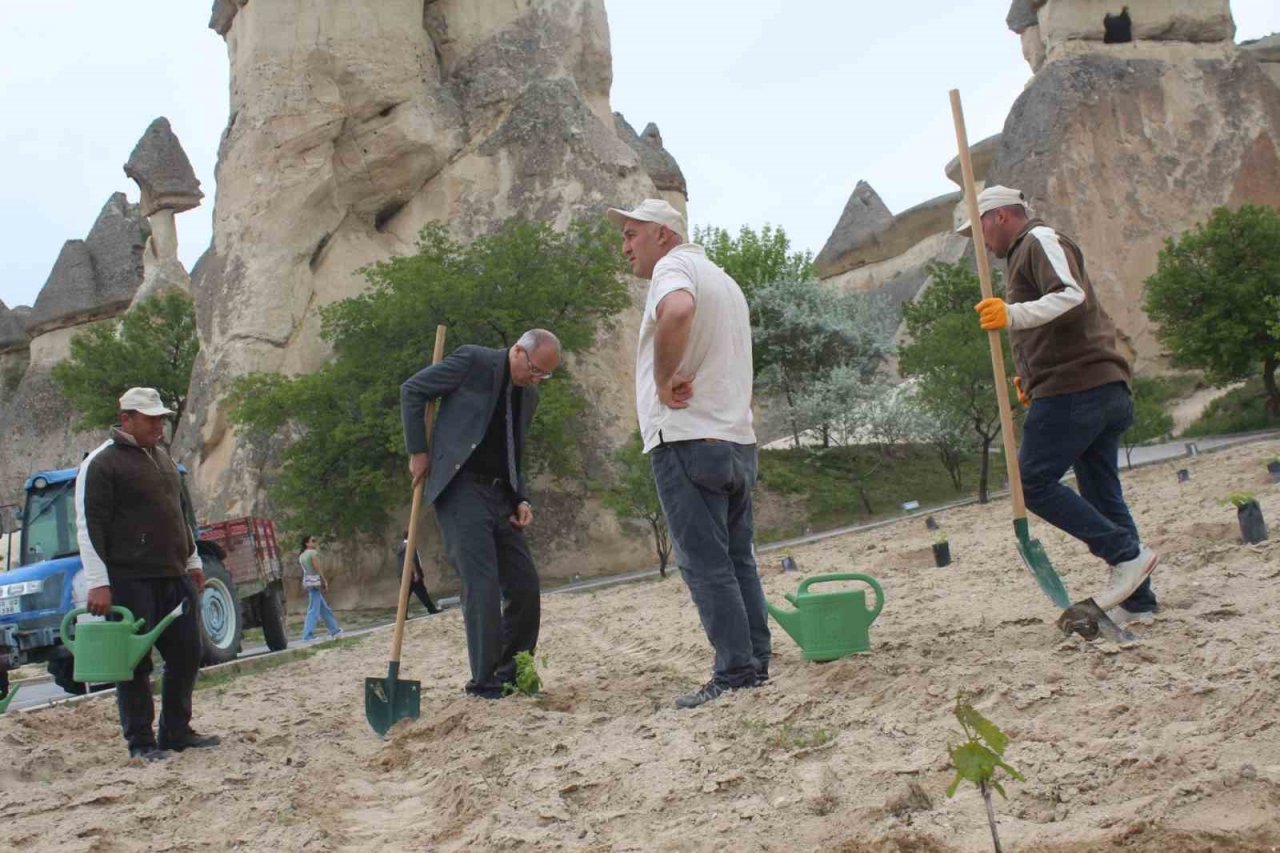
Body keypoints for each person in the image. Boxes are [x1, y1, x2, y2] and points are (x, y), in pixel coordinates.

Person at [960, 185, 1159, 621]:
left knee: (1031, 481)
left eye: (976, 230)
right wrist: (1028, 374)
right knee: (1102, 494)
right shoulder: (1023, 252)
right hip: (1094, 384)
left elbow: (1070, 296)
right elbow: (1054, 321)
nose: (977, 242)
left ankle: (1127, 556)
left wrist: (1012, 314)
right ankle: (1140, 601)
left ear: (999, 217)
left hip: (1077, 387)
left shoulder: (1039, 240)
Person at [607, 198, 770, 709]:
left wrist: (661, 379)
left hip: (689, 438)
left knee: (705, 564)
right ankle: (755, 662)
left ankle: (736, 672)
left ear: (664, 235)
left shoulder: (674, 268)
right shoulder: (724, 279)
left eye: (633, 234)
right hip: (737, 441)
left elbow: (677, 310)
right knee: (738, 559)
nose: (625, 245)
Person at [400, 329, 559, 699]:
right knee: (482, 585)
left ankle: (514, 672)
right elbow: (413, 390)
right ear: (518, 351)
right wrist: (418, 451)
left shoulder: (528, 395)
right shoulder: (473, 361)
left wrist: (521, 498)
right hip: (460, 488)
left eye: (543, 376)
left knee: (524, 585)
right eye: (534, 370)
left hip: (501, 495)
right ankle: (485, 682)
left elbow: (514, 450)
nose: (536, 380)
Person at [75, 387, 220, 761]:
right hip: (129, 578)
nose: (159, 425)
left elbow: (181, 515)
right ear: (127, 418)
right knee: (135, 662)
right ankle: (140, 741)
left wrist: (193, 563)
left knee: (187, 652)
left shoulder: (164, 459)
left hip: (173, 575)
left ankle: (176, 730)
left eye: (161, 418)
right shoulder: (101, 463)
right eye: (151, 418)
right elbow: (89, 526)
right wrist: (99, 582)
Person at [298, 536, 343, 642]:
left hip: (308, 581)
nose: (315, 542)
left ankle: (334, 630)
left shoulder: (301, 556)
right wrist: (324, 579)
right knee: (313, 609)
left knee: (324, 608)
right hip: (315, 581)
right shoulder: (312, 553)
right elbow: (317, 567)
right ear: (307, 543)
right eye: (313, 541)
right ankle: (307, 635)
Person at [396, 531, 441, 615]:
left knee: (405, 596)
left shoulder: (401, 546)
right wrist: (416, 573)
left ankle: (402, 615)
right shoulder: (408, 546)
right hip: (411, 575)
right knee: (422, 592)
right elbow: (410, 560)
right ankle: (431, 609)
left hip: (404, 575)